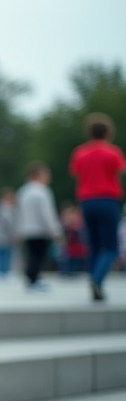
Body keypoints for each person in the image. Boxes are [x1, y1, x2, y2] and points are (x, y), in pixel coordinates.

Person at [69, 113, 125, 302]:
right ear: (108, 132)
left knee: (93, 245)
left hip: (87, 202)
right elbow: (119, 171)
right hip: (107, 200)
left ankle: (95, 283)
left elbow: (76, 173)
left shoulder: (80, 152)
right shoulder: (113, 152)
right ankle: (97, 279)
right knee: (110, 246)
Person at [15, 162, 62, 292]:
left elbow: (18, 212)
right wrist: (55, 230)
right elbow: (47, 213)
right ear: (38, 175)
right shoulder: (42, 191)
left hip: (27, 229)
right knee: (39, 255)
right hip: (40, 229)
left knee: (32, 255)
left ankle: (32, 278)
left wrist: (18, 229)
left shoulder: (23, 191)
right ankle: (33, 279)